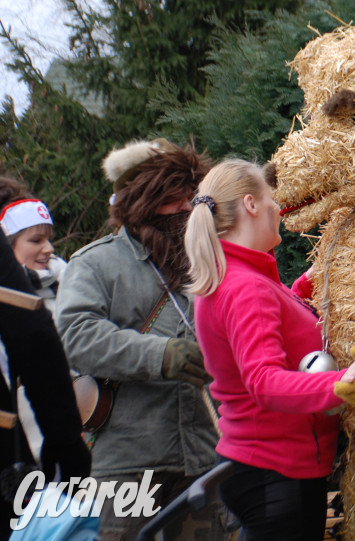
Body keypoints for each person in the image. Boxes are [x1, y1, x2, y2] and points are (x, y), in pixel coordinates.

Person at [184, 159, 355, 541]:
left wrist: (316, 277)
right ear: (251, 205)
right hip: (277, 472)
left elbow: (277, 315)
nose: (278, 209)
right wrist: (340, 382)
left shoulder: (242, 278)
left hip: (265, 468)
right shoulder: (246, 288)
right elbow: (264, 381)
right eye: (271, 199)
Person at [55, 139, 228, 541]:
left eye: (191, 197)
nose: (187, 208)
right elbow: (76, 335)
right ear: (140, 201)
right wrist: (160, 354)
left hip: (203, 458)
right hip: (127, 466)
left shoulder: (206, 264)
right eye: (172, 198)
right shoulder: (94, 263)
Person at [0, 226, 90, 539]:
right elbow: (34, 336)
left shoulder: (69, 280)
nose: (48, 249)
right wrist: (66, 440)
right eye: (35, 241)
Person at [0, 182, 65, 318]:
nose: (49, 248)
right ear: (6, 246)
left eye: (49, 240)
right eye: (36, 240)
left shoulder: (71, 284)